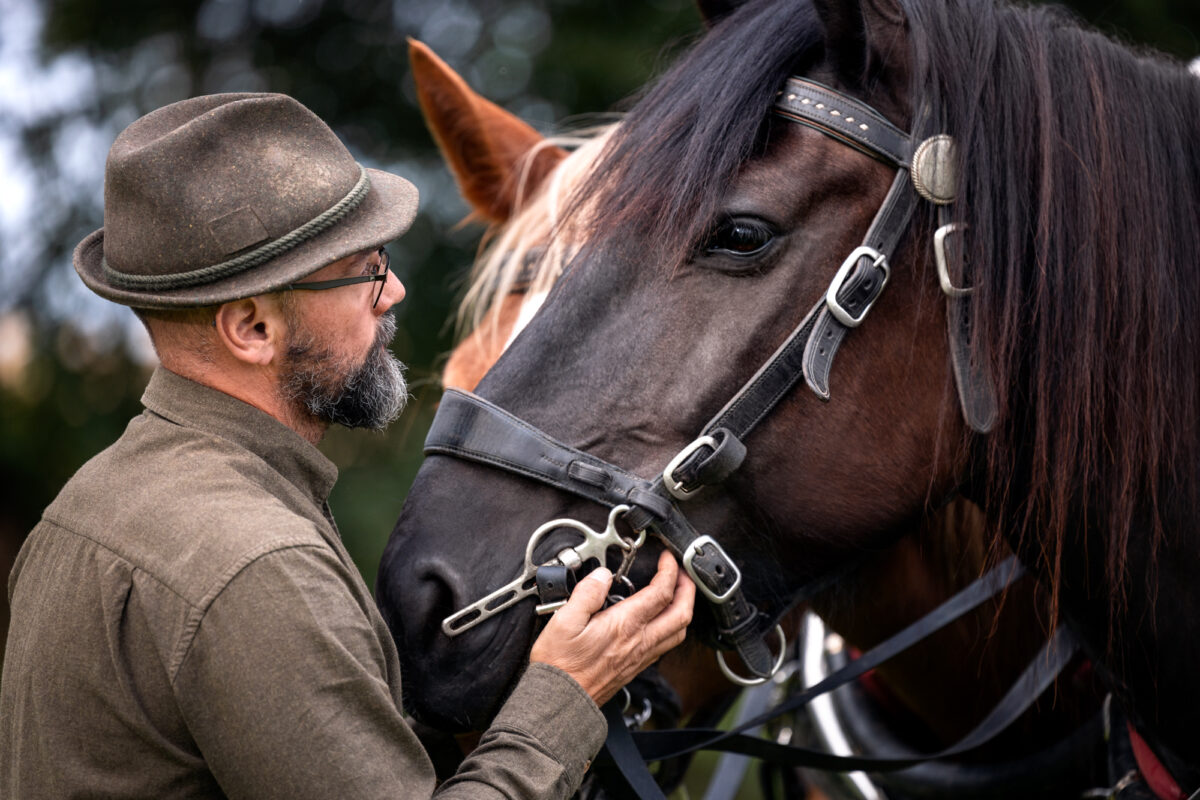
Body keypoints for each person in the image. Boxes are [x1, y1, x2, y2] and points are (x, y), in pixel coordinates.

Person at [0, 93, 695, 799]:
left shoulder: (90, 501)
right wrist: (565, 696)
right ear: (252, 329)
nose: (392, 290)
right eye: (363, 269)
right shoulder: (257, 566)